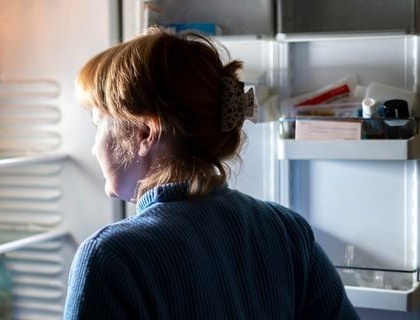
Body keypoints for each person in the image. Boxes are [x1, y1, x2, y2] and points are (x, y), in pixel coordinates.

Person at [64, 27, 359, 319]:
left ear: (145, 132)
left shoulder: (109, 257)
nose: (94, 148)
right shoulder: (287, 230)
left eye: (98, 124)